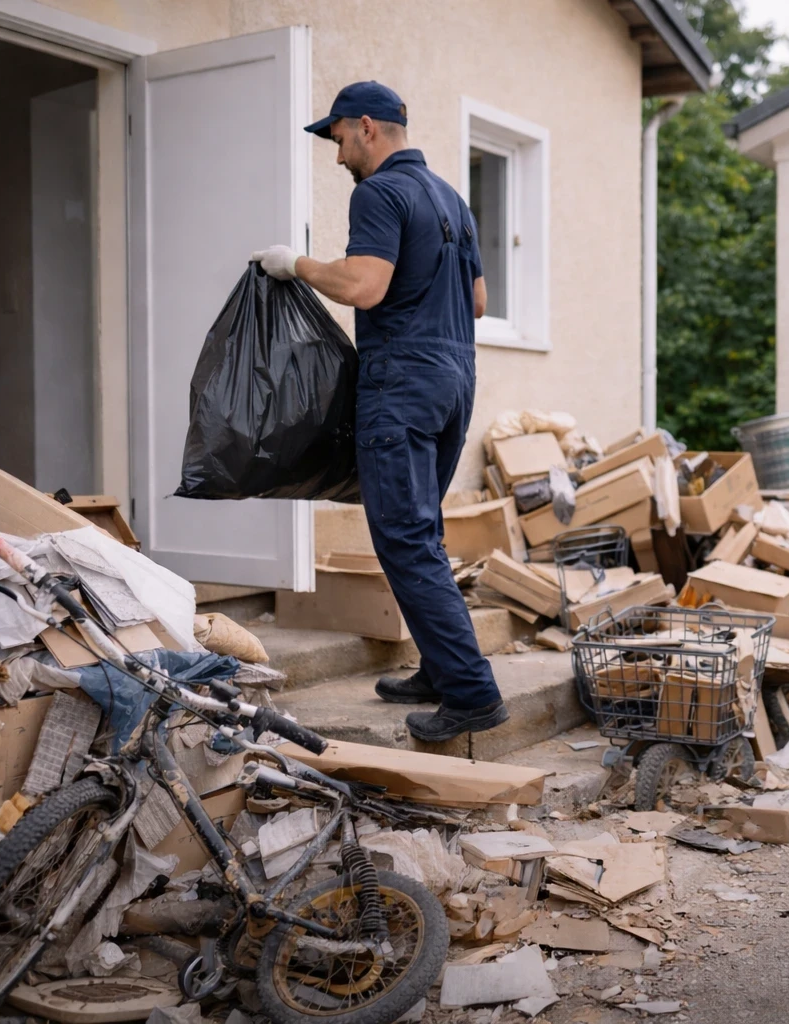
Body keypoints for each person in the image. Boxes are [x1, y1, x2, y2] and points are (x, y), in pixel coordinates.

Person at [253, 82, 506, 744]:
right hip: (454, 383)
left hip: (402, 385)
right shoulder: (452, 199)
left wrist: (296, 265)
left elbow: (366, 285)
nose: (337, 157)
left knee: (405, 539)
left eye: (337, 140)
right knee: (423, 534)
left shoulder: (378, 193)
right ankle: (439, 668)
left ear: (367, 127)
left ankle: (472, 694)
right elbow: (477, 300)